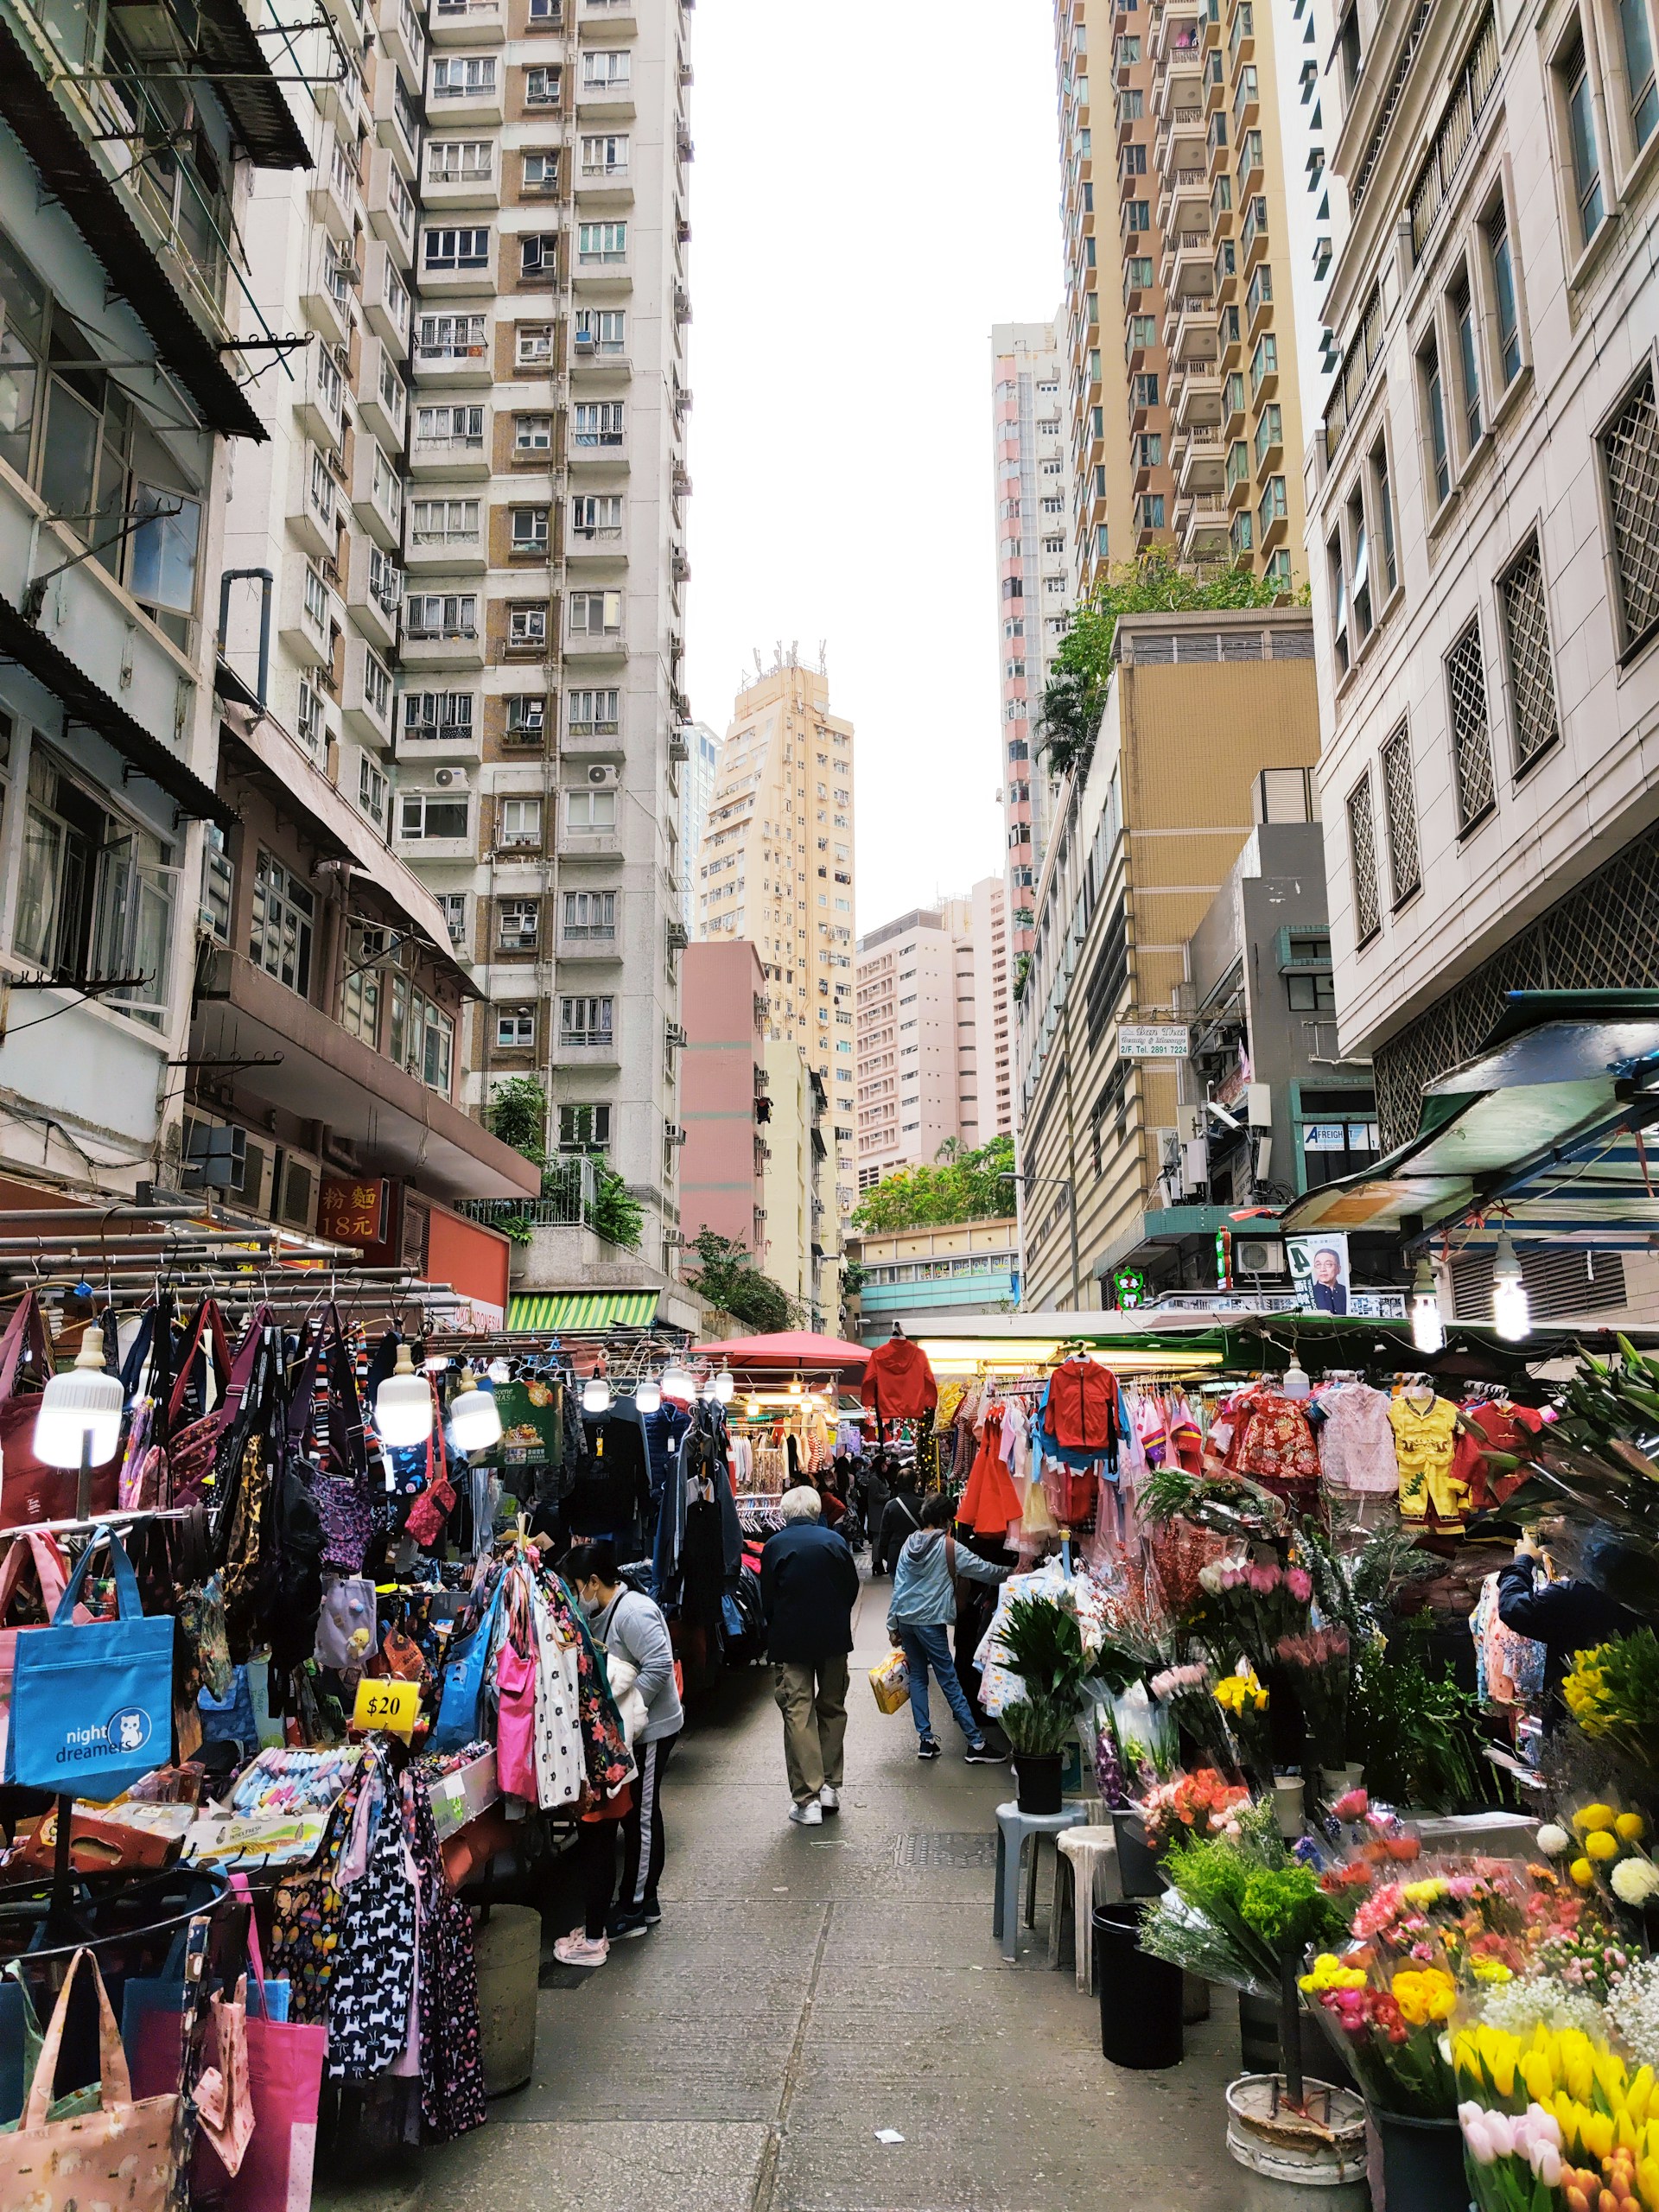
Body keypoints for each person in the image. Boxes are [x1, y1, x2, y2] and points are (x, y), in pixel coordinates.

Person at [564, 1541, 683, 1943]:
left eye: (576, 1586)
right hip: (631, 1733)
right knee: (636, 1815)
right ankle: (642, 1901)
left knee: (643, 1817)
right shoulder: (602, 1612)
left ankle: (636, 1906)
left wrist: (629, 1718)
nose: (575, 1596)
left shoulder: (633, 1612)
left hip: (651, 1732)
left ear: (594, 1582)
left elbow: (661, 1665)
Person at [760, 1485, 859, 1827]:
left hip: (791, 1641)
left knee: (798, 1713)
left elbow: (767, 1598)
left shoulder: (774, 1546)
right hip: (833, 1638)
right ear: (817, 1510)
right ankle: (830, 1785)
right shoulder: (835, 1543)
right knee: (832, 1707)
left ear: (785, 1513)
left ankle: (808, 1798)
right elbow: (851, 1589)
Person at [887, 1494, 1012, 1762]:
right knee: (949, 1680)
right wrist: (1016, 1571)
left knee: (919, 1678)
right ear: (947, 1519)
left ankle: (926, 1741)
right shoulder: (949, 1547)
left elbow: (899, 1584)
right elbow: (986, 1571)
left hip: (907, 1620)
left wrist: (892, 1623)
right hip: (931, 1622)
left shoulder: (910, 1543)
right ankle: (976, 1744)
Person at [1496, 1516, 1626, 1731]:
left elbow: (1514, 1608)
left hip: (1583, 1717)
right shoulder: (1640, 1593)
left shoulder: (1577, 1596)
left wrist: (1523, 1560)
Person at [874, 1467, 922, 1576]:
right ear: (914, 1483)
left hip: (896, 1553)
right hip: (919, 1553)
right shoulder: (923, 1504)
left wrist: (884, 1554)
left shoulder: (890, 1505)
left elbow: (884, 1534)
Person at [1310, 1246, 1350, 1315]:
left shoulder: (1346, 1291)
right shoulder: (1309, 1293)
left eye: (1328, 1264)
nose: (1322, 1269)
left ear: (1338, 1269)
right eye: (1318, 1265)